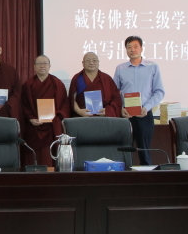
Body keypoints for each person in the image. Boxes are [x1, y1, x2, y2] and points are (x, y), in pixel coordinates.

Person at [114, 35, 166, 165]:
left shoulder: (152, 67)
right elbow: (115, 93)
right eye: (129, 47)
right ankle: (124, 174)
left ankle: (146, 175)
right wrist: (120, 108)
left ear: (141, 48)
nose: (132, 49)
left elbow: (159, 91)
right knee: (124, 150)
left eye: (135, 46)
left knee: (144, 151)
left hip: (144, 113)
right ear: (126, 50)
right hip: (125, 115)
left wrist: (146, 107)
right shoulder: (120, 68)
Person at [20, 55, 70, 167]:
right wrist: (31, 118)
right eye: (39, 64)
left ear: (49, 66)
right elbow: (23, 104)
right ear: (34, 67)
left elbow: (65, 104)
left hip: (52, 126)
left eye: (45, 63)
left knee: (50, 158)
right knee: (33, 158)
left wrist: (56, 117)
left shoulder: (57, 83)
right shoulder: (28, 85)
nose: (42, 66)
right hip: (34, 126)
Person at [68, 52, 122, 118]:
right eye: (88, 60)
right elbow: (72, 99)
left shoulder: (106, 78)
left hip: (103, 117)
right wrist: (79, 111)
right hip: (82, 117)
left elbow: (116, 99)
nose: (91, 63)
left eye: (94, 60)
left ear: (98, 63)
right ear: (83, 63)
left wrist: (108, 111)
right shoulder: (77, 78)